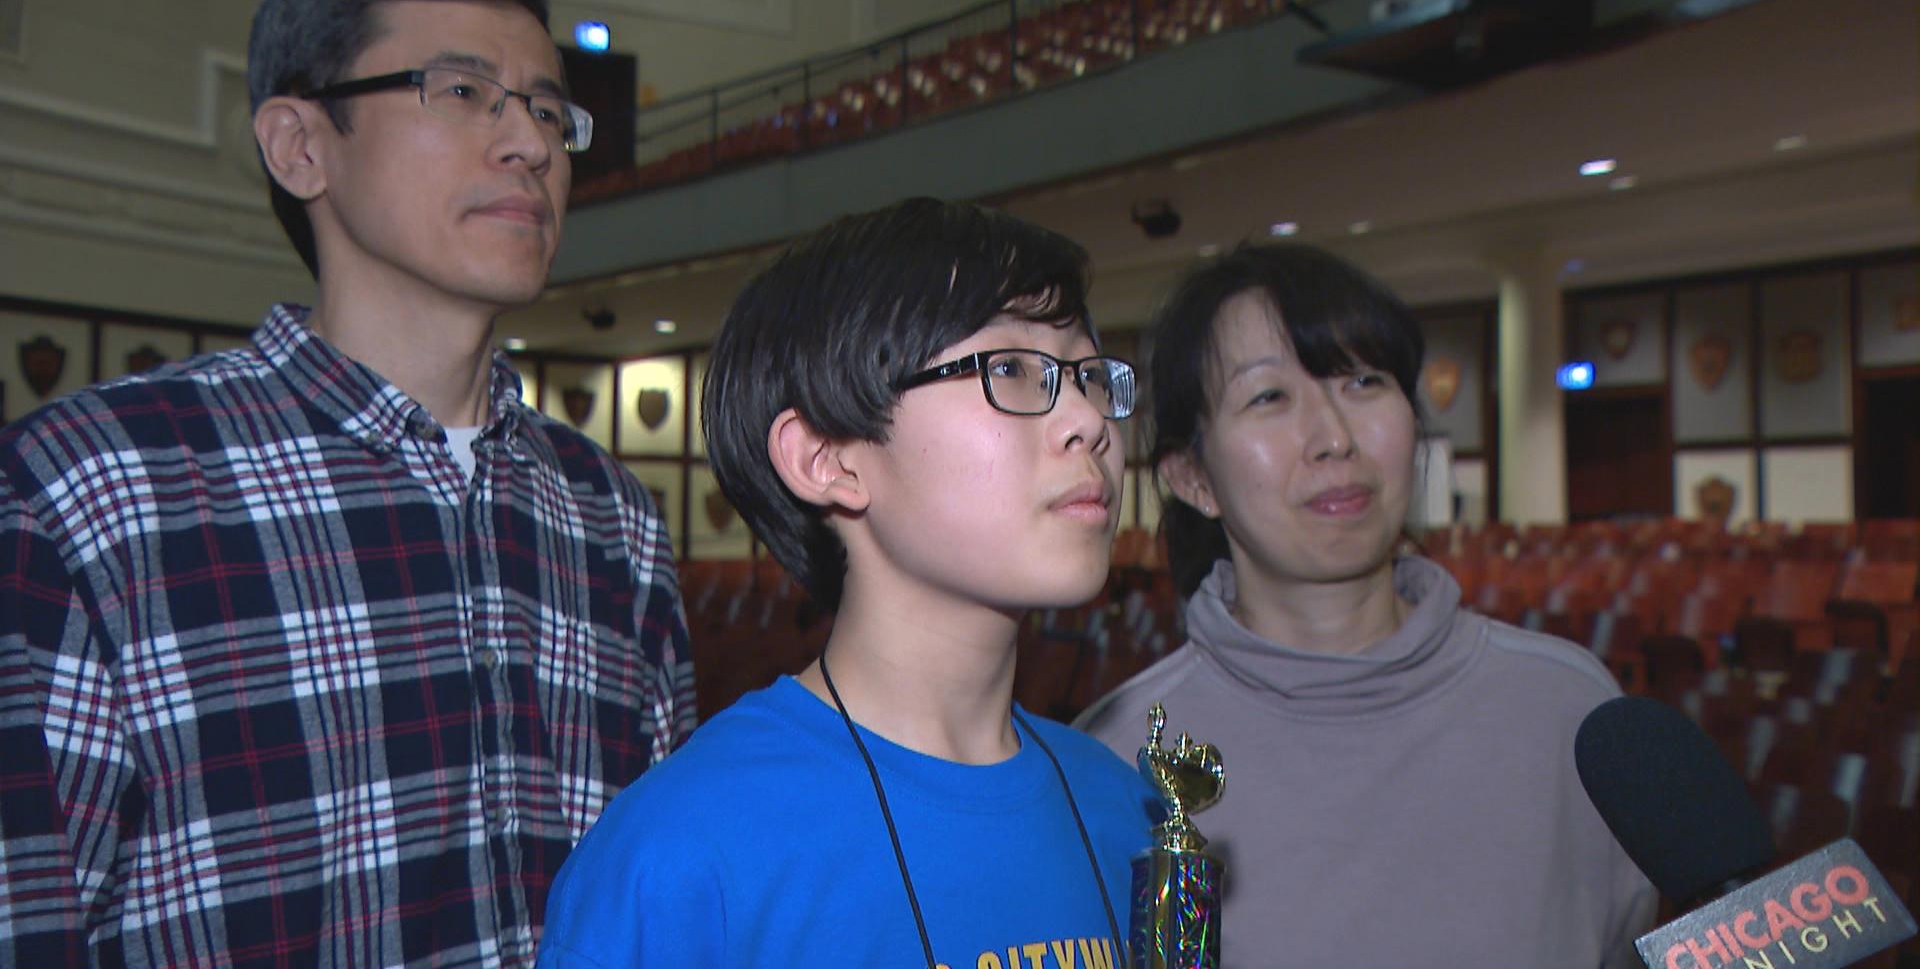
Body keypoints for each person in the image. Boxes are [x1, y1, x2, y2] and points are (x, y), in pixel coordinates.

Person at [0, 0, 692, 967]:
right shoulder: (94, 486)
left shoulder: (610, 510)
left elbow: (664, 886)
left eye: (550, 111)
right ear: (300, 146)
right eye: (463, 90)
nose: (531, 146)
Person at [537, 198, 1157, 968]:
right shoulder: (686, 858)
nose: (1089, 420)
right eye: (1010, 369)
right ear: (828, 458)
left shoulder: (1126, 806)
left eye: (1089, 375)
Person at [1077, 243, 1655, 967]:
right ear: (1194, 477)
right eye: (1270, 397)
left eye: (1364, 381)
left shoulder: (1573, 712)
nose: (1335, 438)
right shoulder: (1119, 756)